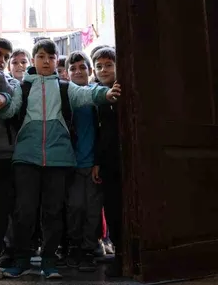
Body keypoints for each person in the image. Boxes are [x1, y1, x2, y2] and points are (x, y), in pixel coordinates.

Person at [0, 39, 121, 279]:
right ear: (34, 60)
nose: (46, 62)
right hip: (26, 158)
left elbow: (88, 93)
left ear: (56, 60)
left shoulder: (66, 87)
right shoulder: (23, 87)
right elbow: (11, 108)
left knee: (53, 212)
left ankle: (49, 261)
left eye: (50, 57)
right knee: (24, 211)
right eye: (41, 57)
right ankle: (22, 260)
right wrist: (3, 101)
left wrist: (106, 93)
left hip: (59, 159)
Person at [63, 51, 102, 272]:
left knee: (93, 210)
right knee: (75, 207)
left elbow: (103, 134)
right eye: (73, 68)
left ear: (90, 71)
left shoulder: (97, 97)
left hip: (93, 165)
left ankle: (89, 248)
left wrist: (98, 160)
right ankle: (74, 247)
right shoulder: (65, 97)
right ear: (67, 74)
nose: (78, 71)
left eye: (82, 67)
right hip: (72, 165)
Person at [92, 46, 122, 276]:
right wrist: (97, 162)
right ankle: (120, 254)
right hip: (107, 161)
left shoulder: (124, 91)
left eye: (109, 65)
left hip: (127, 158)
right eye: (99, 66)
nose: (103, 70)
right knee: (112, 208)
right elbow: (99, 134)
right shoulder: (95, 96)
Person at [0, 38, 18, 278]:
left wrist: (3, 96)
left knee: (1, 210)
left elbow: (11, 96)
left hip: (4, 155)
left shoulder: (11, 81)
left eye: (5, 57)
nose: (1, 60)